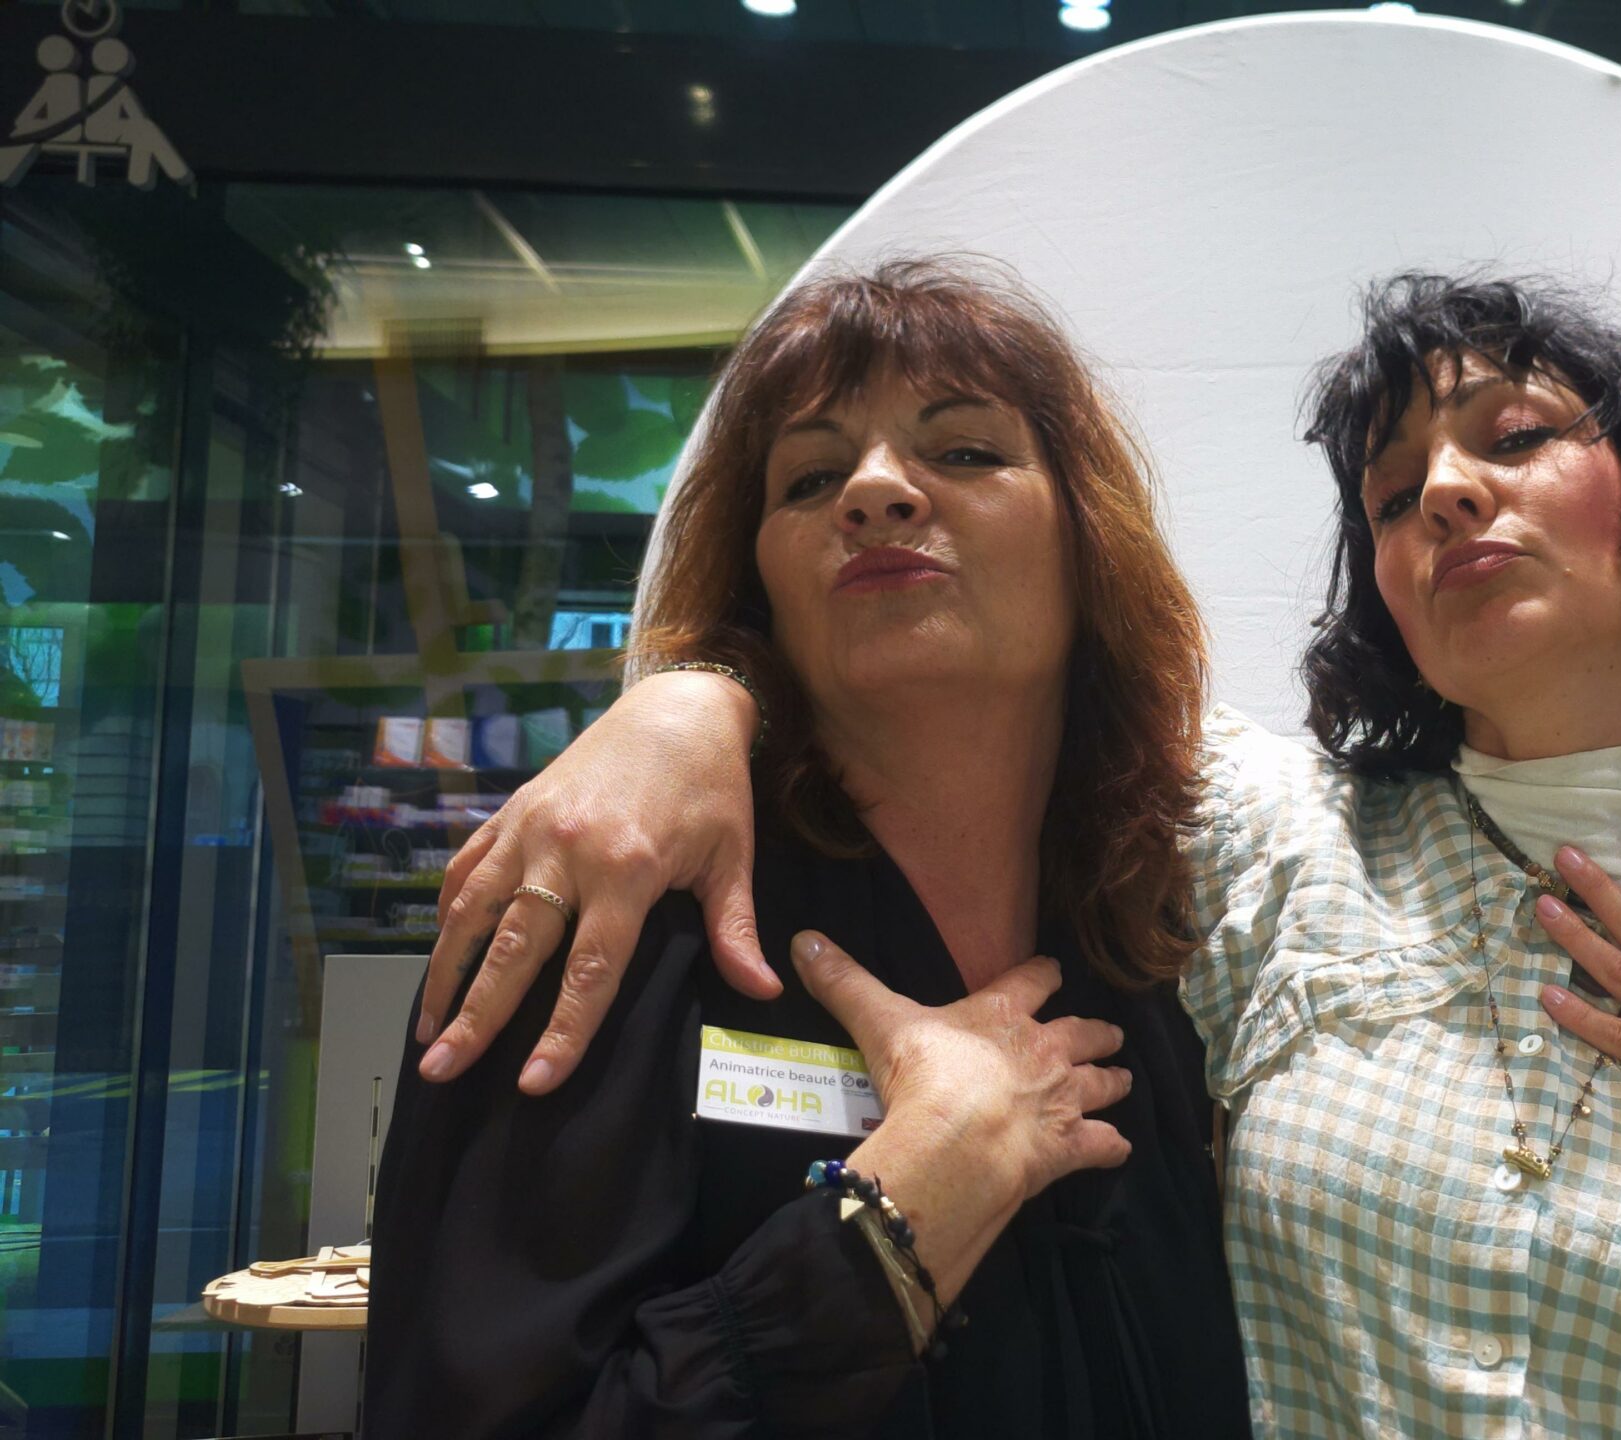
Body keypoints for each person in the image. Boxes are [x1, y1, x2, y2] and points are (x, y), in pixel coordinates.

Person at [420, 272, 1621, 1437]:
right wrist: (686, 703)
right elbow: (975, 683)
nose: (1445, 493)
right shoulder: (1272, 855)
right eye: (1393, 489)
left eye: (1516, 439)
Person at [367, 261, 1250, 1438]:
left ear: (1089, 540)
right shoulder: (614, 905)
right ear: (761, 577)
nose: (875, 491)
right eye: (811, 477)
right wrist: (900, 1215)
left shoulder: (1171, 934)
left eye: (965, 451)